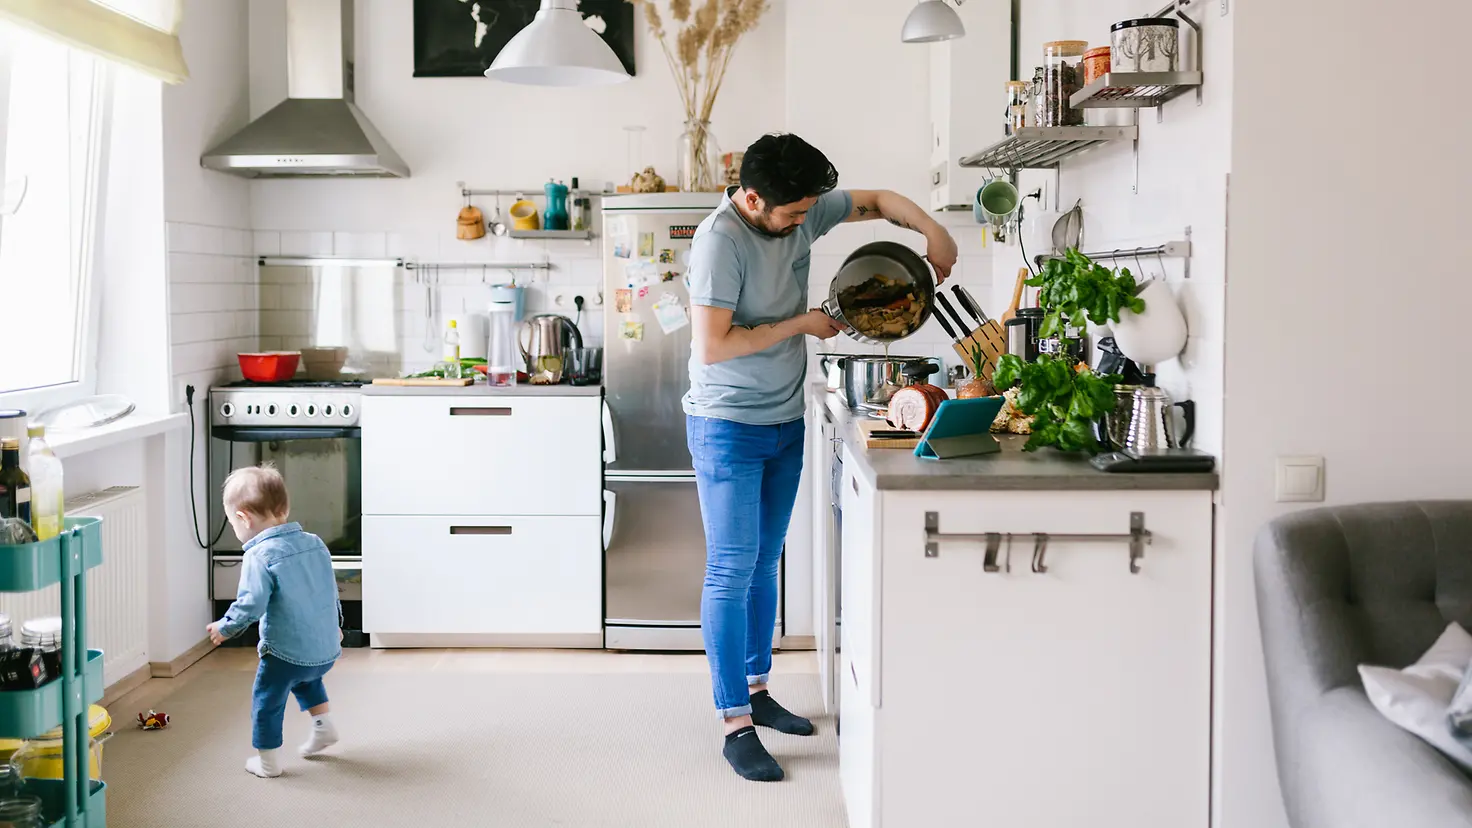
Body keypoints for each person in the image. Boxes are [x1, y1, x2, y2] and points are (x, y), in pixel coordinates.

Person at [684, 133, 958, 781]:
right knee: (730, 568)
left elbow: (879, 201)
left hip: (782, 416)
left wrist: (933, 232)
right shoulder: (720, 242)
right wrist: (804, 324)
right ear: (752, 198)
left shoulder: (799, 207)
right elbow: (712, 347)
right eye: (792, 212)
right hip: (726, 422)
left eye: (809, 208)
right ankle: (734, 723)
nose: (805, 220)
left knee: (763, 562)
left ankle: (757, 689)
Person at [206, 464, 344, 778]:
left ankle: (266, 762)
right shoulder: (315, 542)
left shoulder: (259, 555)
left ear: (243, 518)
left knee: (267, 699)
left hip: (285, 653)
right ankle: (324, 726)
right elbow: (329, 591)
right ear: (284, 508)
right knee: (307, 678)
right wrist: (335, 626)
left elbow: (251, 603)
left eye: (232, 523)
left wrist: (226, 627)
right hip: (325, 649)